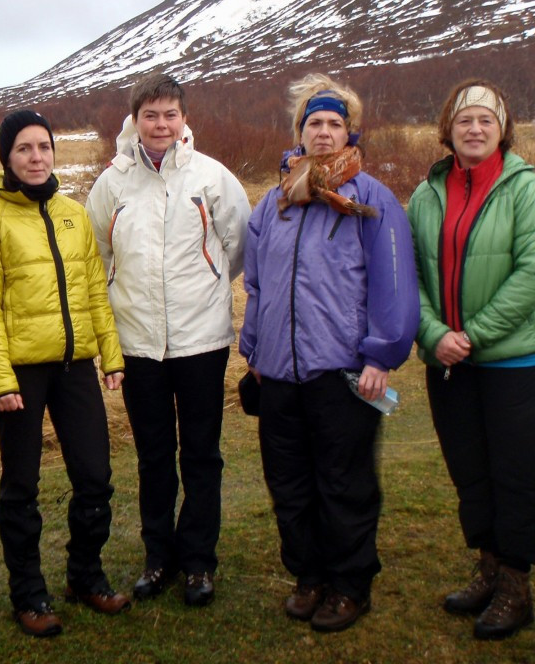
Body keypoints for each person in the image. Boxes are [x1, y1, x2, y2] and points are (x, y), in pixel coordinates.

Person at [239, 73, 419, 632]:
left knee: (344, 483)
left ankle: (348, 585)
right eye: (313, 123)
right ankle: (309, 575)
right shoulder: (274, 204)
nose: (323, 132)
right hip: (280, 372)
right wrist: (254, 350)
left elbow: (393, 281)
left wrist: (380, 356)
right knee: (289, 483)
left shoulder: (369, 199)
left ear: (349, 132)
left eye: (333, 123)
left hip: (343, 370)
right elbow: (256, 284)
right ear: (299, 131)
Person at [86, 73, 251, 606]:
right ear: (134, 120)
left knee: (201, 454)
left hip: (202, 340)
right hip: (138, 346)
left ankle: (199, 561)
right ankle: (159, 558)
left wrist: (205, 284)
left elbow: (237, 248)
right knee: (154, 455)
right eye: (150, 115)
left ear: (184, 119)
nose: (160, 125)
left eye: (170, 114)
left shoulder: (211, 177)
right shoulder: (112, 184)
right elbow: (98, 259)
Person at [0, 110, 130, 639]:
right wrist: (1, 380)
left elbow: (93, 292)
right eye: (24, 149)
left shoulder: (72, 213)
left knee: (95, 477)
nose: (37, 158)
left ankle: (85, 575)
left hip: (74, 366)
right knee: (21, 487)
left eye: (44, 147)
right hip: (20, 373)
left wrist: (112, 356)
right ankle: (28, 592)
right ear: (7, 158)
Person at [408, 79, 535, 640]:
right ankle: (487, 567)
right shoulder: (426, 194)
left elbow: (531, 273)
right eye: (465, 121)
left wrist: (473, 334)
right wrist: (435, 333)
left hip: (511, 361)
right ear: (449, 130)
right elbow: (406, 277)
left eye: (487, 120)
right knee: (470, 470)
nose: (476, 129)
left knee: (515, 472)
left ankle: (515, 583)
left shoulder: (524, 187)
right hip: (449, 363)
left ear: (502, 128)